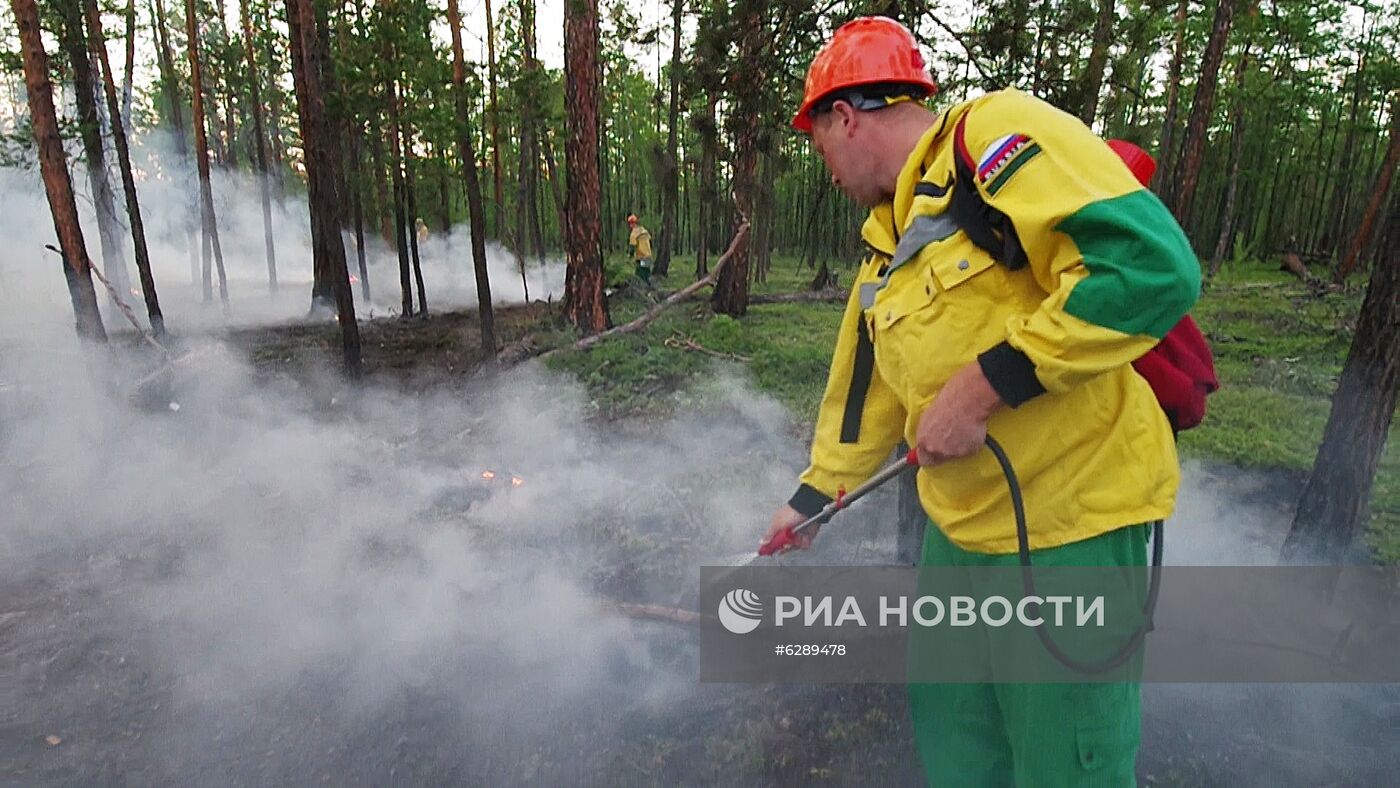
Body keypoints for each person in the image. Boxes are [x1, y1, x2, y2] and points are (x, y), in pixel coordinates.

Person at [765, 16, 1200, 786]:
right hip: (960, 536)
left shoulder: (994, 135)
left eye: (817, 138)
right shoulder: (884, 239)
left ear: (846, 116)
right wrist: (810, 501)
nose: (822, 163)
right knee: (959, 744)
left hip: (1069, 528)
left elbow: (1148, 266)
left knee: (1064, 760)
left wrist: (983, 385)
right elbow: (864, 394)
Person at [626, 214, 654, 284]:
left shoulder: (634, 233)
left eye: (630, 224)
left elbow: (632, 246)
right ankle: (649, 290)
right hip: (649, 256)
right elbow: (650, 242)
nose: (630, 226)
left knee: (640, 276)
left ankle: (642, 291)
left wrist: (629, 256)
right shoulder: (644, 231)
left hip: (641, 257)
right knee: (647, 275)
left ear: (632, 224)